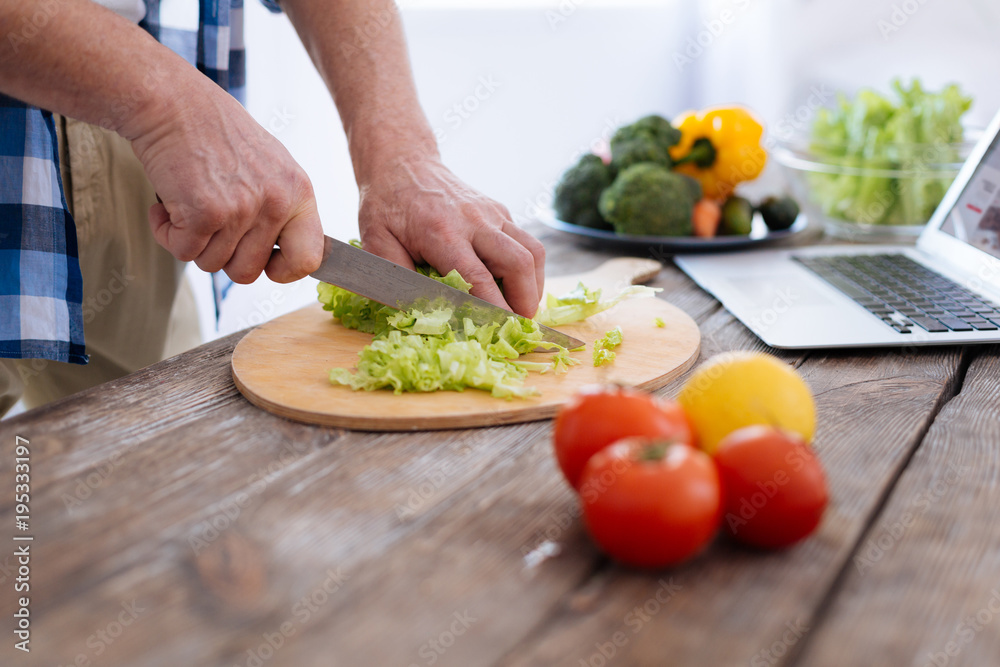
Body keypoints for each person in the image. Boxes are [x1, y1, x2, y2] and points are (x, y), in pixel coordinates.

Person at [0, 0, 546, 417]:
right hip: (121, 104)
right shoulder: (163, 110)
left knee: (159, 476)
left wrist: (402, 154)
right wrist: (169, 107)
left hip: (122, 124)